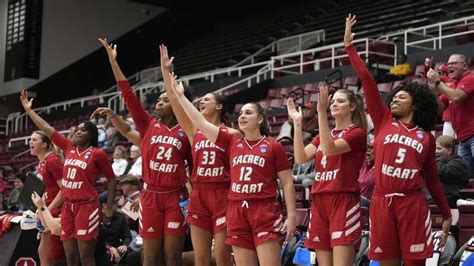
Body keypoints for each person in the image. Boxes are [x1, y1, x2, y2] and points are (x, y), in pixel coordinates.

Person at [344, 13, 452, 265]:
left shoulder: (426, 137)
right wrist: (350, 47)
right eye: (393, 97)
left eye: (400, 97)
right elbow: (368, 82)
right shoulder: (383, 120)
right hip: (382, 201)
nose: (394, 99)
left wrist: (446, 214)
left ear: (416, 103)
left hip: (412, 204)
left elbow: (433, 180)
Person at [169, 74, 296, 266]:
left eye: (248, 113)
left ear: (260, 119)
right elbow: (201, 123)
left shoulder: (272, 146)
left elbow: (287, 182)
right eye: (241, 113)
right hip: (237, 211)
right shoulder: (232, 141)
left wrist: (292, 216)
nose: (242, 116)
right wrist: (181, 96)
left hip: (264, 209)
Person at [100, 38, 192, 266]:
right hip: (150, 196)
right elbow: (128, 94)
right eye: (158, 100)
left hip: (176, 197)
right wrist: (113, 62)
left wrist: (168, 73)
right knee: (149, 258)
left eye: (164, 100)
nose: (158, 104)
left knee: (172, 258)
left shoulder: (188, 130)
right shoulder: (148, 124)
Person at [159, 44, 241, 266]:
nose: (202, 101)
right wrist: (166, 72)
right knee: (202, 258)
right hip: (199, 195)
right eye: (201, 99)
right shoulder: (194, 132)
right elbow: (175, 102)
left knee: (223, 257)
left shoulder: (232, 134)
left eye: (207, 99)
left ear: (220, 106)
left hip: (223, 194)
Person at [20, 90, 117, 266]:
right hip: (68, 208)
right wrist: (29, 111)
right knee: (71, 258)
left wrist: (109, 206)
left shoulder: (98, 154)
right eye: (77, 129)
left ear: (91, 135)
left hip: (87, 206)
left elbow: (112, 180)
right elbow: (47, 129)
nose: (78, 132)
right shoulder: (68, 147)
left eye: (83, 130)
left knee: (86, 257)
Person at [287, 84, 368, 265]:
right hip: (320, 201)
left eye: (340, 101)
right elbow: (300, 157)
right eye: (332, 102)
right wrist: (297, 124)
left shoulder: (357, 132)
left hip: (343, 200)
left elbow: (330, 149)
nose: (333, 104)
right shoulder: (323, 135)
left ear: (352, 106)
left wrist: (321, 113)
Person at [427, 53, 474, 178]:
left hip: (473, 135)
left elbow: (457, 97)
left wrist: (438, 81)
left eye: (454, 63)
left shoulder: (470, 78)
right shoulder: (453, 86)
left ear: (464, 66)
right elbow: (439, 108)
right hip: (463, 138)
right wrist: (433, 91)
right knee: (466, 178)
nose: (449, 66)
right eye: (448, 64)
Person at [29, 131, 65, 265]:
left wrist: (47, 209)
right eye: (30, 140)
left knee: (52, 255)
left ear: (44, 144)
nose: (30, 142)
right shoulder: (42, 163)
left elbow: (65, 189)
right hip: (46, 212)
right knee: (43, 252)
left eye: (34, 140)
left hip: (55, 213)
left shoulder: (53, 161)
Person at [359, 140, 375, 208]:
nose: (368, 151)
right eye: (367, 148)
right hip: (361, 202)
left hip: (373, 204)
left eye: (371, 148)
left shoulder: (381, 167)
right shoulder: (365, 163)